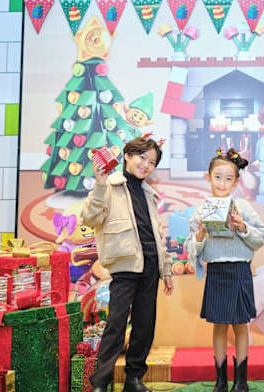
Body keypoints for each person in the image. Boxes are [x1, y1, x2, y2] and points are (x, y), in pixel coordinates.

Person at [81, 135, 175, 392]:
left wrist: (166, 269)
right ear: (127, 156)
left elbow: (157, 234)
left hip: (151, 265)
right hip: (125, 266)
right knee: (116, 324)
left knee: (144, 325)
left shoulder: (149, 193)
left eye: (152, 162)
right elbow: (90, 218)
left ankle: (134, 379)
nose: (146, 165)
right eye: (142, 158)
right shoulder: (109, 185)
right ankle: (101, 382)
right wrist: (99, 185)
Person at [186, 148, 264, 392]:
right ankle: (220, 380)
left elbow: (260, 237)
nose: (222, 183)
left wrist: (243, 227)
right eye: (217, 177)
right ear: (208, 177)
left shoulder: (243, 207)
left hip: (240, 271)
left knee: (241, 325)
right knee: (219, 325)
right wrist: (200, 236)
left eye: (228, 178)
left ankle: (241, 381)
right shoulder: (201, 209)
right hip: (217, 272)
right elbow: (191, 246)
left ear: (237, 181)